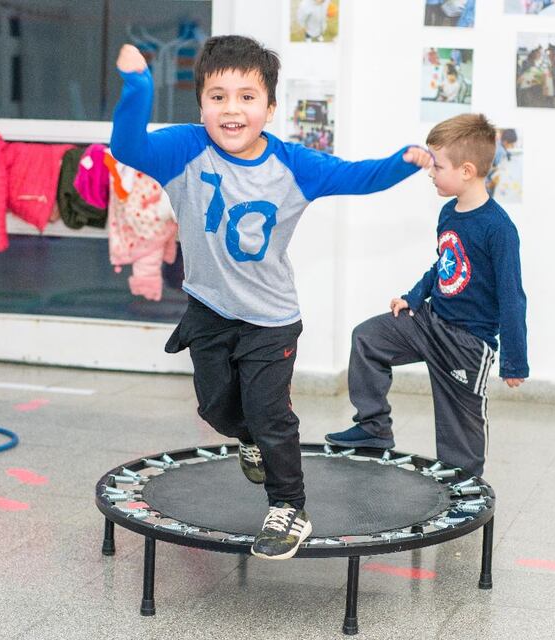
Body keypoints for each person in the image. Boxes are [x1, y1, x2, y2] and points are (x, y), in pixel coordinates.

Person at [110, 35, 425, 560]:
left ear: (270, 107)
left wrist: (402, 161)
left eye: (246, 97)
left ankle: (289, 507)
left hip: (270, 320)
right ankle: (249, 437)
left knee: (270, 412)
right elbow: (128, 147)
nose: (232, 109)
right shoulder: (185, 148)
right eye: (218, 96)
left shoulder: (294, 165)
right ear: (201, 104)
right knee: (215, 408)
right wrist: (138, 86)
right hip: (207, 307)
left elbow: (357, 177)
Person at [325, 114, 528, 480]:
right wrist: (413, 297)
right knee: (368, 339)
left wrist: (515, 361)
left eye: (437, 165)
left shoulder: (499, 229)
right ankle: (373, 430)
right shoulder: (449, 212)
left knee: (459, 430)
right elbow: (444, 264)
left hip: (467, 343)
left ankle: (464, 486)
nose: (430, 172)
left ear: (466, 170)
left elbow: (512, 296)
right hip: (431, 321)